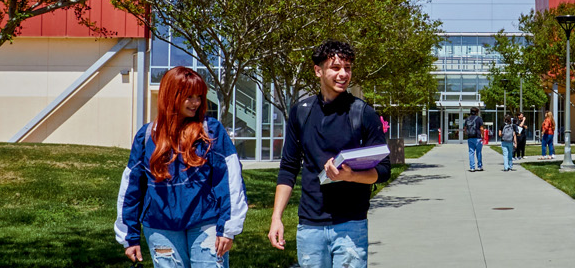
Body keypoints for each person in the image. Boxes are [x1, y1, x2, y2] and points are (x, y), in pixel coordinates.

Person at [267, 41, 391, 268]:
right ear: (318, 71)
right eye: (336, 67)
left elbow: (383, 171)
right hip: (310, 225)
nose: (343, 74)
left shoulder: (363, 113)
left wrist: (350, 175)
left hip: (351, 224)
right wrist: (276, 218)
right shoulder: (301, 112)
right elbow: (288, 168)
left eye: (348, 68)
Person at [116, 66, 248, 267]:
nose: (196, 103)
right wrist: (129, 236)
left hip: (206, 224)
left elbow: (229, 181)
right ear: (171, 95)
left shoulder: (211, 131)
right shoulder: (146, 136)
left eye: (199, 97)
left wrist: (227, 229)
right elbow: (132, 188)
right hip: (161, 228)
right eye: (189, 97)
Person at [465, 107, 485, 171]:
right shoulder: (479, 119)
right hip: (478, 138)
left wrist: (467, 133)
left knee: (471, 152)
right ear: (477, 112)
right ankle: (479, 166)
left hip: (470, 138)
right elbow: (481, 128)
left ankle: (472, 167)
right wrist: (483, 136)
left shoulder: (467, 119)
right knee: (479, 152)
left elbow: (465, 129)